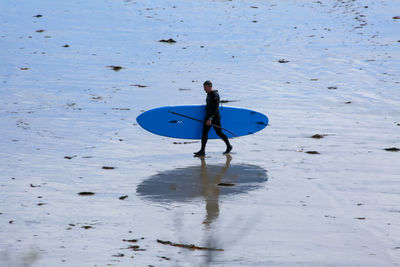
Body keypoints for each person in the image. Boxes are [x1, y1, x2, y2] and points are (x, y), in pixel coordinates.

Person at [194, 81, 232, 157]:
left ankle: (229, 146)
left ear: (210, 86)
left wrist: (210, 119)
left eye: (205, 88)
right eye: (204, 88)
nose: (204, 89)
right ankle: (202, 151)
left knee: (219, 133)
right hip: (208, 116)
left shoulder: (215, 95)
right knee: (204, 133)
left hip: (215, 118)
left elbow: (215, 109)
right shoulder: (208, 94)